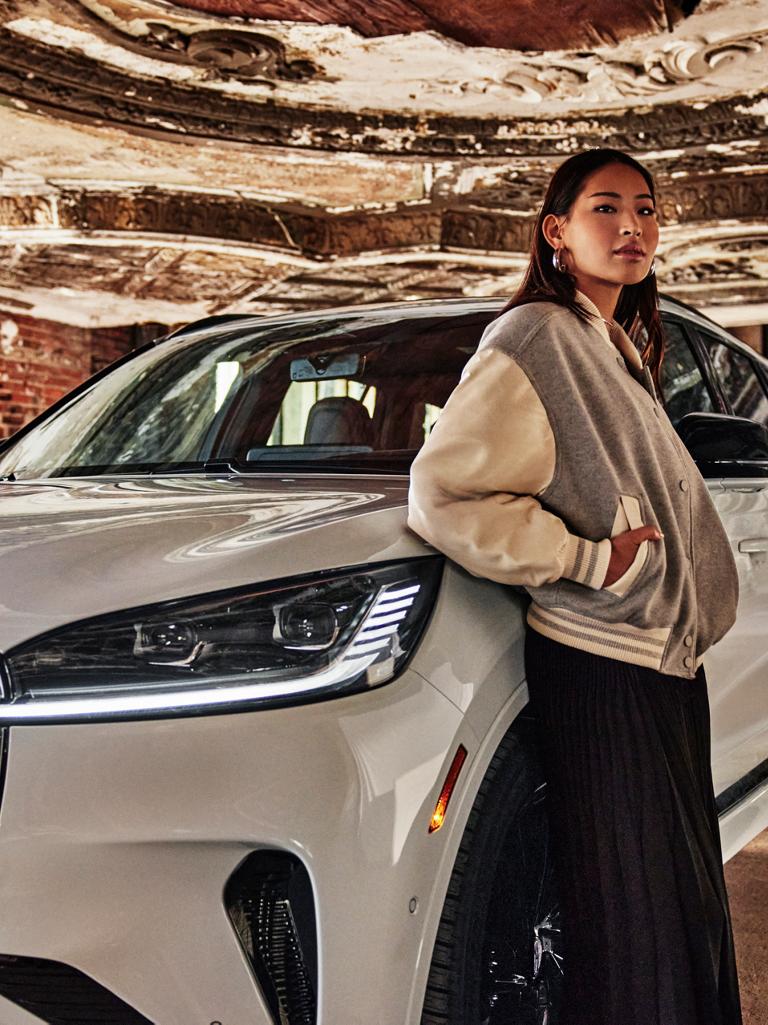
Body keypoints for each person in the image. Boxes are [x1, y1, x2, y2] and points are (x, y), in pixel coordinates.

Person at [407, 148, 743, 1025]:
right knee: (638, 928)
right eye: (606, 207)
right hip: (603, 662)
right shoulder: (537, 337)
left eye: (647, 208)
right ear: (556, 232)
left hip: (658, 665)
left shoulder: (609, 346)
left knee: (679, 915)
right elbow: (443, 491)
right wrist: (589, 559)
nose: (632, 225)